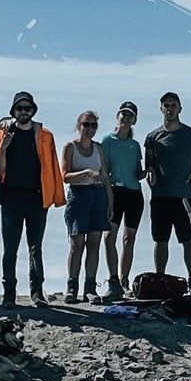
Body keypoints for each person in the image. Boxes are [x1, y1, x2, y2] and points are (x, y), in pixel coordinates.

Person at [0, 91, 65, 307]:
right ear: (13, 111)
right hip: (12, 198)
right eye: (19, 109)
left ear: (33, 111)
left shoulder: (44, 136)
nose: (23, 112)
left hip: (37, 198)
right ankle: (9, 292)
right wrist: (3, 150)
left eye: (27, 108)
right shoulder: (2, 135)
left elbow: (53, 166)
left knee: (35, 247)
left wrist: (54, 195)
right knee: (10, 248)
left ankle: (37, 292)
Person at [143, 91, 191, 298]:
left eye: (173, 105)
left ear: (180, 108)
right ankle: (160, 280)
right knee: (160, 240)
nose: (169, 109)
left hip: (182, 195)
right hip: (159, 196)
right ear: (161, 109)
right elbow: (149, 163)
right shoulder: (152, 137)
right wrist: (150, 172)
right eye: (166, 105)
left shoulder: (190, 135)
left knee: (187, 239)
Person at [61, 110, 112, 303]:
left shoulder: (98, 148)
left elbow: (105, 177)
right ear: (79, 125)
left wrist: (110, 202)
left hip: (98, 196)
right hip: (78, 195)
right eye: (86, 124)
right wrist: (85, 173)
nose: (89, 129)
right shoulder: (70, 147)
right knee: (76, 245)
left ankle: (90, 287)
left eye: (93, 125)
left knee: (94, 244)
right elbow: (64, 175)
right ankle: (71, 287)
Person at [101, 100, 144, 299]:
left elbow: (136, 171)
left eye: (130, 115)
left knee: (129, 239)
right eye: (123, 114)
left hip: (134, 194)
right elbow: (104, 170)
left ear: (134, 120)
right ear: (117, 116)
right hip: (114, 194)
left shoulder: (135, 145)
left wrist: (146, 172)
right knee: (109, 238)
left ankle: (125, 280)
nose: (126, 118)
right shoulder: (107, 141)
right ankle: (113, 279)